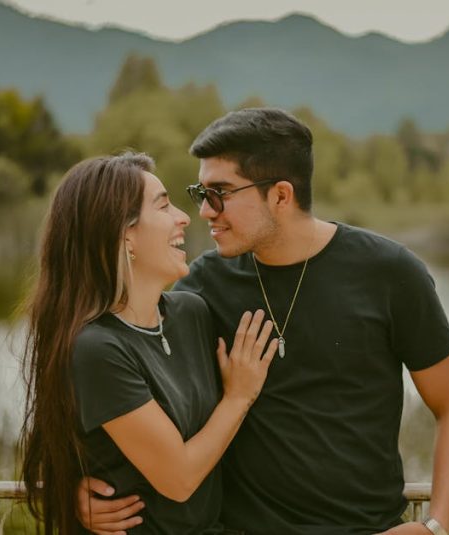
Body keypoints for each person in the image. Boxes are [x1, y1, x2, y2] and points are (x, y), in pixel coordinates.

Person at [80, 109, 449, 535]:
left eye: (221, 193)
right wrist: (72, 486)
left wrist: (435, 524)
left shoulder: (391, 273)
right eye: (201, 193)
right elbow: (107, 380)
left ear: (281, 196)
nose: (204, 212)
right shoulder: (198, 288)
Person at [19, 152, 279, 534]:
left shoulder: (191, 313)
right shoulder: (96, 348)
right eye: (163, 206)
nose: (185, 216)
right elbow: (179, 479)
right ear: (125, 235)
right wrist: (238, 397)